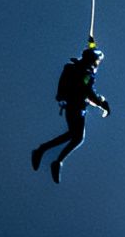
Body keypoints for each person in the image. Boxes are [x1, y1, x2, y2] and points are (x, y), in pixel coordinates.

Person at [31, 45, 109, 184]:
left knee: (73, 135)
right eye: (98, 61)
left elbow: (85, 91)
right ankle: (52, 157)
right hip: (76, 106)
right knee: (77, 137)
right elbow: (88, 92)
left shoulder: (75, 67)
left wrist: (92, 44)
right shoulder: (85, 72)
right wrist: (102, 104)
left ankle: (46, 152)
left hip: (72, 104)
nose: (98, 64)